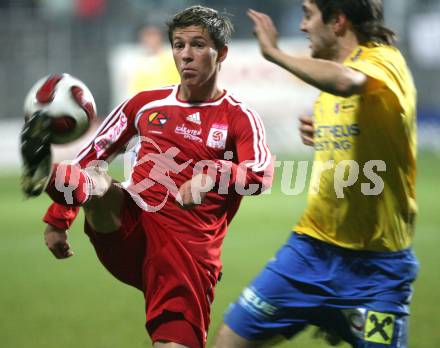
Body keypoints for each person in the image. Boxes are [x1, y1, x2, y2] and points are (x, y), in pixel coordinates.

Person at [20, 5, 273, 348]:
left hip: (186, 256)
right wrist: (58, 218)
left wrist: (213, 174)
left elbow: (259, 175)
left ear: (222, 52)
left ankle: (50, 173)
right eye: (179, 45)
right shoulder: (144, 105)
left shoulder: (238, 118)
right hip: (131, 225)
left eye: (198, 45)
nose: (186, 55)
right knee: (99, 181)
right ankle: (44, 171)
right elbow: (91, 154)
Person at [214, 1, 418, 347]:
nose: (303, 25)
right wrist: (321, 128)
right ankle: (331, 313)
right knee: (229, 341)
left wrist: (274, 53)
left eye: (309, 15)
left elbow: (350, 81)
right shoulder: (331, 85)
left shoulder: (381, 60)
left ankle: (338, 314)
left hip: (377, 269)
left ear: (337, 21)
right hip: (309, 252)